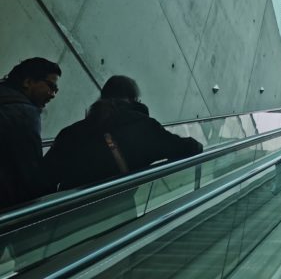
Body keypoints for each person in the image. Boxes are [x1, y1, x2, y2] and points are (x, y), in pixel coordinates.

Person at [45, 76, 203, 190]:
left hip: (66, 212)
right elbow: (184, 147)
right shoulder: (143, 127)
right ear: (133, 99)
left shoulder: (73, 132)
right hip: (117, 210)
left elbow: (46, 175)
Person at [0, 58, 61, 210]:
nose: (53, 95)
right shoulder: (25, 115)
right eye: (51, 86)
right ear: (28, 82)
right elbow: (30, 175)